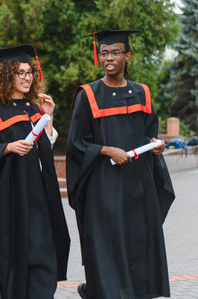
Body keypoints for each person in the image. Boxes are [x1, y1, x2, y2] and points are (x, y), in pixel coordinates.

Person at [66, 29, 175, 299]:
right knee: (108, 243)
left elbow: (150, 134)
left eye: (115, 53)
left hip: (138, 184)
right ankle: (101, 291)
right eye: (104, 53)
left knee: (138, 241)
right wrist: (106, 150)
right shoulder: (88, 95)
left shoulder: (142, 93)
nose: (109, 58)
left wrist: (157, 146)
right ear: (99, 57)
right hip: (105, 186)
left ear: (128, 56)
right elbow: (76, 143)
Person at [0, 44, 70, 299]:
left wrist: (48, 120)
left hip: (39, 197)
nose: (27, 77)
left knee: (43, 255)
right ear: (6, 75)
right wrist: (6, 148)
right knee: (15, 258)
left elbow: (44, 151)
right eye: (21, 72)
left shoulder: (35, 109)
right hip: (10, 199)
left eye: (30, 72)